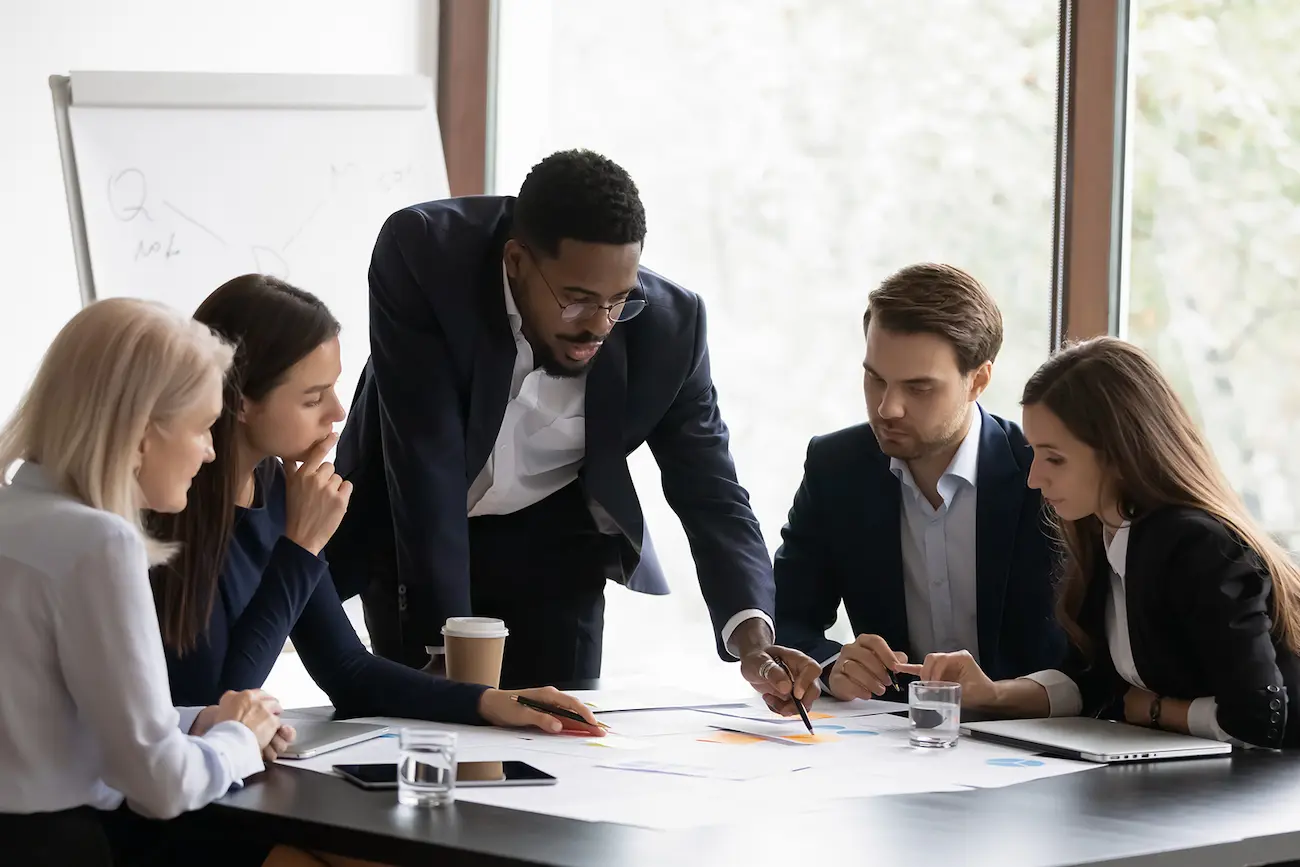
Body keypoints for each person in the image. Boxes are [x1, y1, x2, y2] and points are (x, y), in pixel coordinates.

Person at [327, 148, 819, 712]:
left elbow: (711, 491)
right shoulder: (425, 255)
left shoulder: (670, 328)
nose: (599, 325)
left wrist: (756, 642)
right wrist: (450, 655)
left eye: (619, 301)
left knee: (564, 740)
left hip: (554, 546)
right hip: (418, 533)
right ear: (515, 262)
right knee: (427, 734)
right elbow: (425, 460)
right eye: (577, 300)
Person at [148, 274, 603, 735]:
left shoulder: (278, 489)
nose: (338, 413)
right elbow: (213, 709)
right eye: (313, 398)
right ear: (240, 402)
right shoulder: (170, 508)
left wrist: (490, 702)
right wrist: (301, 546)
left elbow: (347, 670)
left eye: (332, 388)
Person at [899, 337, 1300, 749]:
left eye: (1055, 459)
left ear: (1120, 453)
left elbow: (1259, 719)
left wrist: (1155, 710)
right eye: (1034, 453)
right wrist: (992, 693)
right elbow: (1094, 684)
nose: (1034, 478)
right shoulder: (1105, 533)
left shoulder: (1196, 546)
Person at [0, 298, 283, 865]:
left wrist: (196, 720)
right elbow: (160, 784)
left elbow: (49, 716)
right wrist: (239, 740)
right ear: (140, 434)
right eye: (203, 427)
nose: (210, 451)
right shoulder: (99, 543)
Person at [774, 264, 1064, 701]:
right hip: (889, 741)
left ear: (978, 380)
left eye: (919, 388)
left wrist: (1001, 697)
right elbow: (785, 616)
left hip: (1029, 736)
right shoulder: (837, 467)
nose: (888, 408)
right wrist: (833, 666)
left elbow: (1088, 654)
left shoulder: (1043, 474)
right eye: (875, 379)